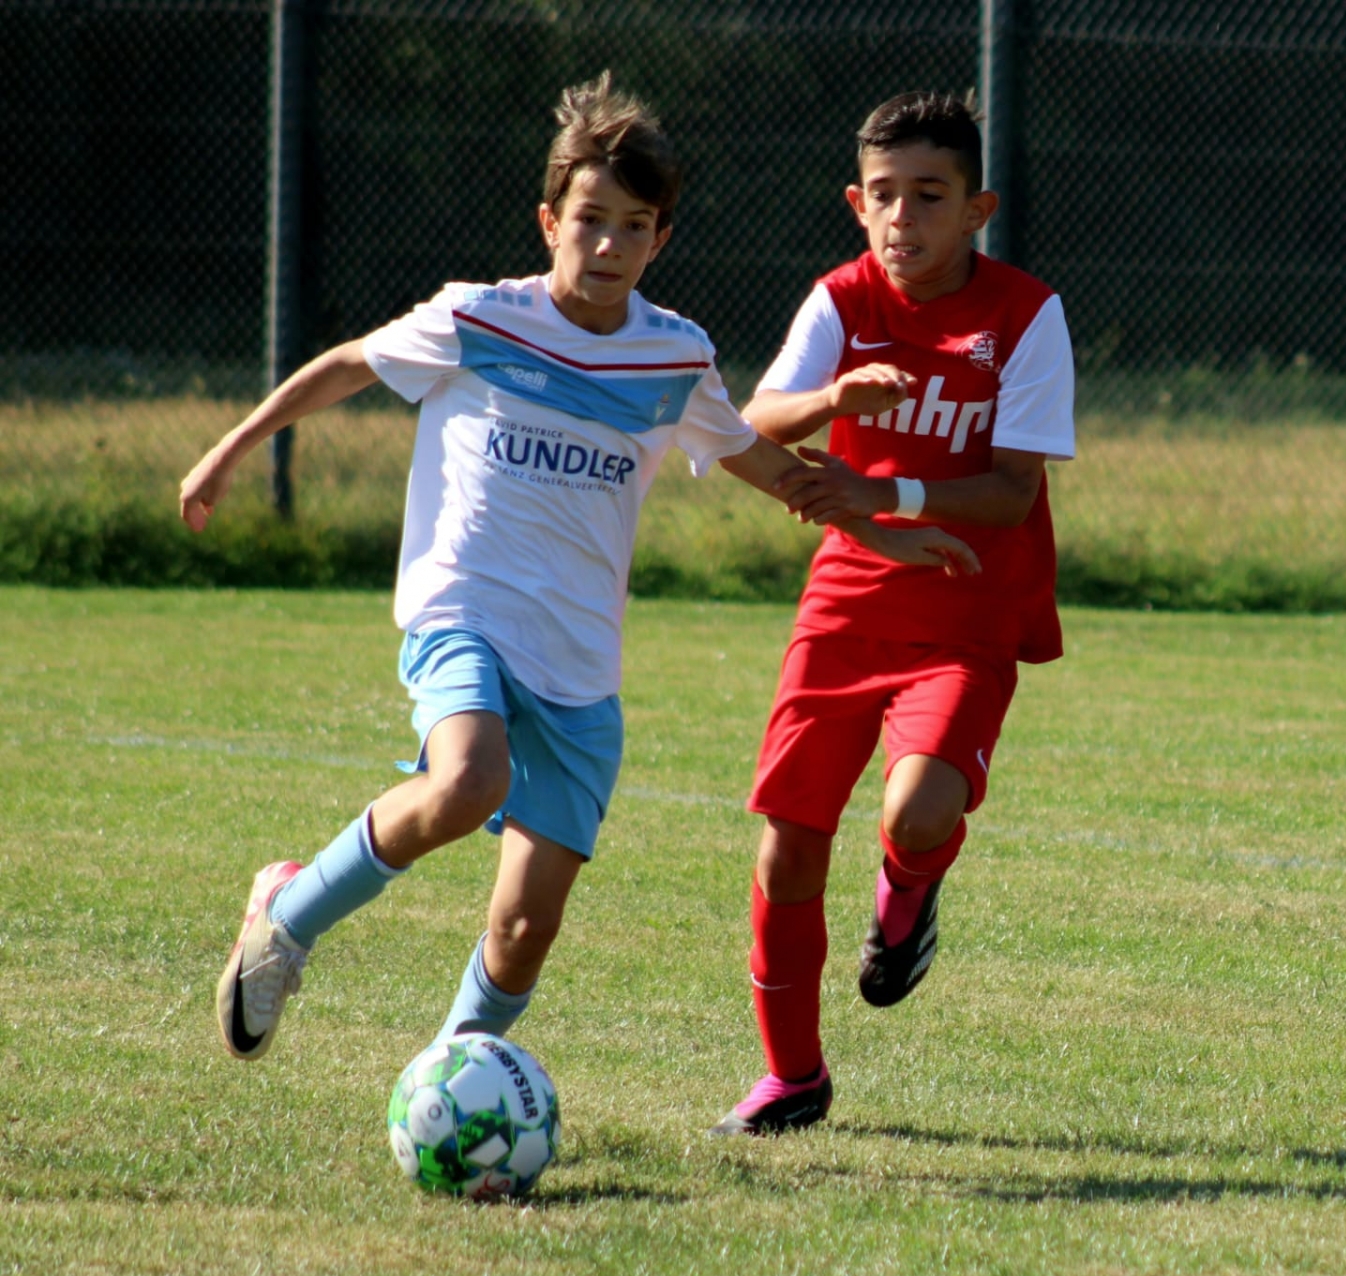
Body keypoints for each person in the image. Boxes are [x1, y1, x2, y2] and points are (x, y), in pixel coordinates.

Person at [183, 72, 977, 1064]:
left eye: (633, 227)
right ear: (549, 220)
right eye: (590, 220)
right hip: (465, 613)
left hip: (579, 668)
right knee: (467, 778)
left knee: (525, 929)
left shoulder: (673, 357)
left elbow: (765, 464)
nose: (607, 246)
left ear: (659, 241)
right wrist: (230, 450)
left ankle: (453, 1078)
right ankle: (288, 915)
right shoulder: (482, 319)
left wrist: (887, 533)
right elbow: (349, 362)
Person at [709, 90, 1076, 1136]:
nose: (903, 217)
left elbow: (1012, 491)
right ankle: (792, 1077)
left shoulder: (1024, 315)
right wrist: (832, 403)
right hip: (845, 603)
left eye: (930, 195)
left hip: (966, 601)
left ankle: (908, 893)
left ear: (978, 210)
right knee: (787, 847)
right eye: (884, 195)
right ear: (856, 204)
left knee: (916, 814)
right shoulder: (842, 299)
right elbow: (755, 419)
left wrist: (884, 491)